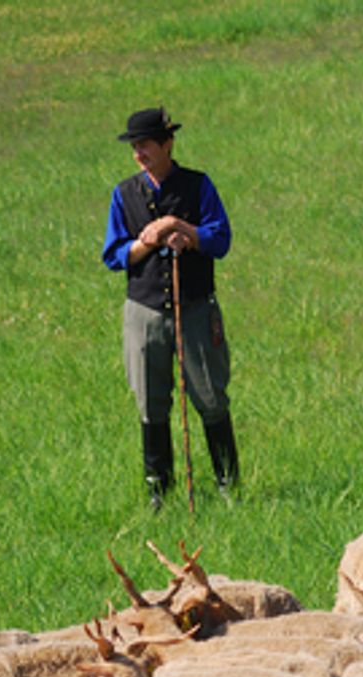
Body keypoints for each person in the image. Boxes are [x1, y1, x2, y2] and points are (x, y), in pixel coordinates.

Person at [101, 107, 239, 510]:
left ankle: (228, 485)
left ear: (167, 144)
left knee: (211, 395)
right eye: (135, 147)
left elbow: (220, 238)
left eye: (144, 145)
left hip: (195, 308)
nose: (138, 154)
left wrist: (183, 230)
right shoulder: (123, 194)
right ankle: (159, 492)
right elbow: (114, 254)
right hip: (144, 312)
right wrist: (153, 239)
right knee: (150, 400)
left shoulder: (198, 185)